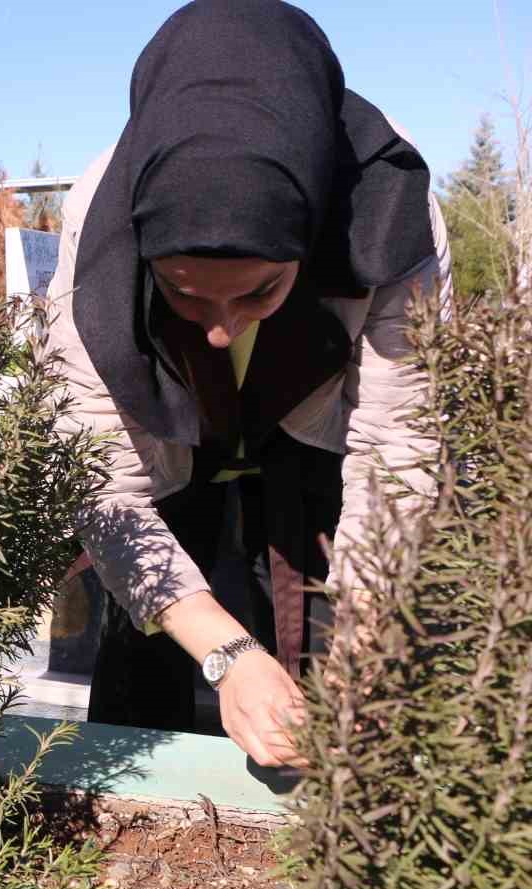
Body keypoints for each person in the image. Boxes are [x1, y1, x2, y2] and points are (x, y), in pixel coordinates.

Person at [44, 0, 452, 767]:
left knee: (331, 649)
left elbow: (400, 448)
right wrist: (226, 651)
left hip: (316, 433)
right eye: (185, 294)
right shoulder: (97, 216)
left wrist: (361, 650)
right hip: (163, 438)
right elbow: (102, 479)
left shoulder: (390, 206)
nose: (221, 330)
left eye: (258, 292)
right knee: (147, 649)